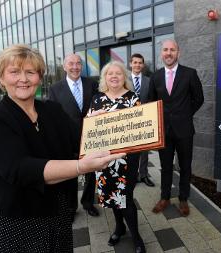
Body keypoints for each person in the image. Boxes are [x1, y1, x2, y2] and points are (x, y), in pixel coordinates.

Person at [0, 44, 124, 252]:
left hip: (57, 213)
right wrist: (81, 167)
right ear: (1, 78)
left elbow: (77, 141)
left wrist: (94, 125)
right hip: (15, 219)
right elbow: (19, 168)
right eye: (14, 72)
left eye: (30, 72)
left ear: (40, 76)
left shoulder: (52, 110)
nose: (23, 79)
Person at [90, 61, 146, 253]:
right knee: (112, 195)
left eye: (118, 73)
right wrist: (90, 119)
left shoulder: (133, 98)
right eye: (109, 74)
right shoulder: (97, 99)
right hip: (104, 158)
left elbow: (140, 128)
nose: (114, 76)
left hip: (127, 159)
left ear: (124, 77)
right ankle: (119, 227)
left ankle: (137, 238)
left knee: (126, 198)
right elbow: (91, 130)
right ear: (105, 78)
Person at [149, 39, 204, 217]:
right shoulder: (155, 76)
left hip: (184, 130)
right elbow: (151, 102)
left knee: (185, 166)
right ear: (161, 53)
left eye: (172, 50)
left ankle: (183, 198)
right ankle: (164, 197)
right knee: (165, 166)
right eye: (165, 50)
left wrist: (186, 114)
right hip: (163, 131)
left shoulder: (190, 74)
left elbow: (199, 98)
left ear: (178, 53)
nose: (169, 53)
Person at [48, 54, 100, 218]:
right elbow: (53, 116)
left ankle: (88, 203)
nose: (75, 67)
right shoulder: (55, 89)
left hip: (91, 137)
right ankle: (71, 207)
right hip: (67, 140)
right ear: (64, 67)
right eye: (71, 63)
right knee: (69, 174)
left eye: (78, 63)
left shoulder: (91, 83)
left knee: (91, 172)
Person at [129, 53, 155, 187]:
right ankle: (131, 177)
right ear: (130, 64)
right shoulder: (124, 80)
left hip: (144, 120)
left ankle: (143, 175)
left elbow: (151, 99)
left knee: (144, 150)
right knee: (130, 151)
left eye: (140, 63)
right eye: (135, 62)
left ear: (143, 65)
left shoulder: (149, 81)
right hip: (127, 122)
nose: (137, 65)